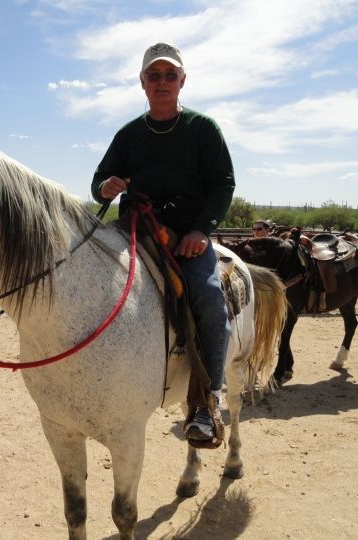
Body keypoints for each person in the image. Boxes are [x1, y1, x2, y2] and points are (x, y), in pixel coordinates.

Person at [91, 42, 234, 444]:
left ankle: (207, 400)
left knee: (207, 295)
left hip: (185, 238)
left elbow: (223, 183)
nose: (162, 82)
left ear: (182, 81)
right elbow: (98, 180)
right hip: (134, 229)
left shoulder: (203, 130)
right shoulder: (129, 134)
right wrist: (105, 187)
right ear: (142, 83)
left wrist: (201, 231)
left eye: (170, 75)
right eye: (154, 75)